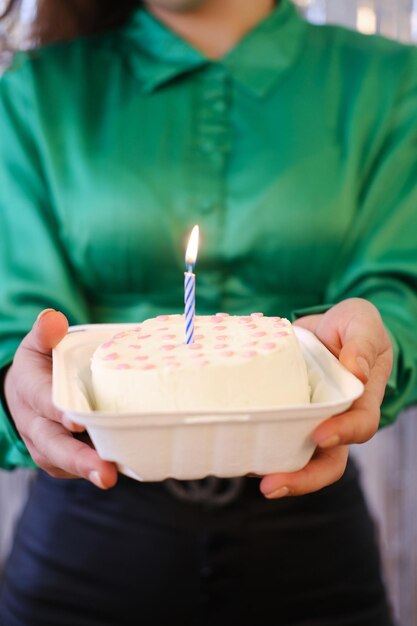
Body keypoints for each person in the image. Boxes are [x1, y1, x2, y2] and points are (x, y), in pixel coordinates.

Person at [0, 0, 416, 623]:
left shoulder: (387, 84)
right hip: (88, 532)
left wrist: (376, 340)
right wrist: (18, 377)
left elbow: (398, 285)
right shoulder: (39, 94)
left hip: (310, 538)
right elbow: (19, 317)